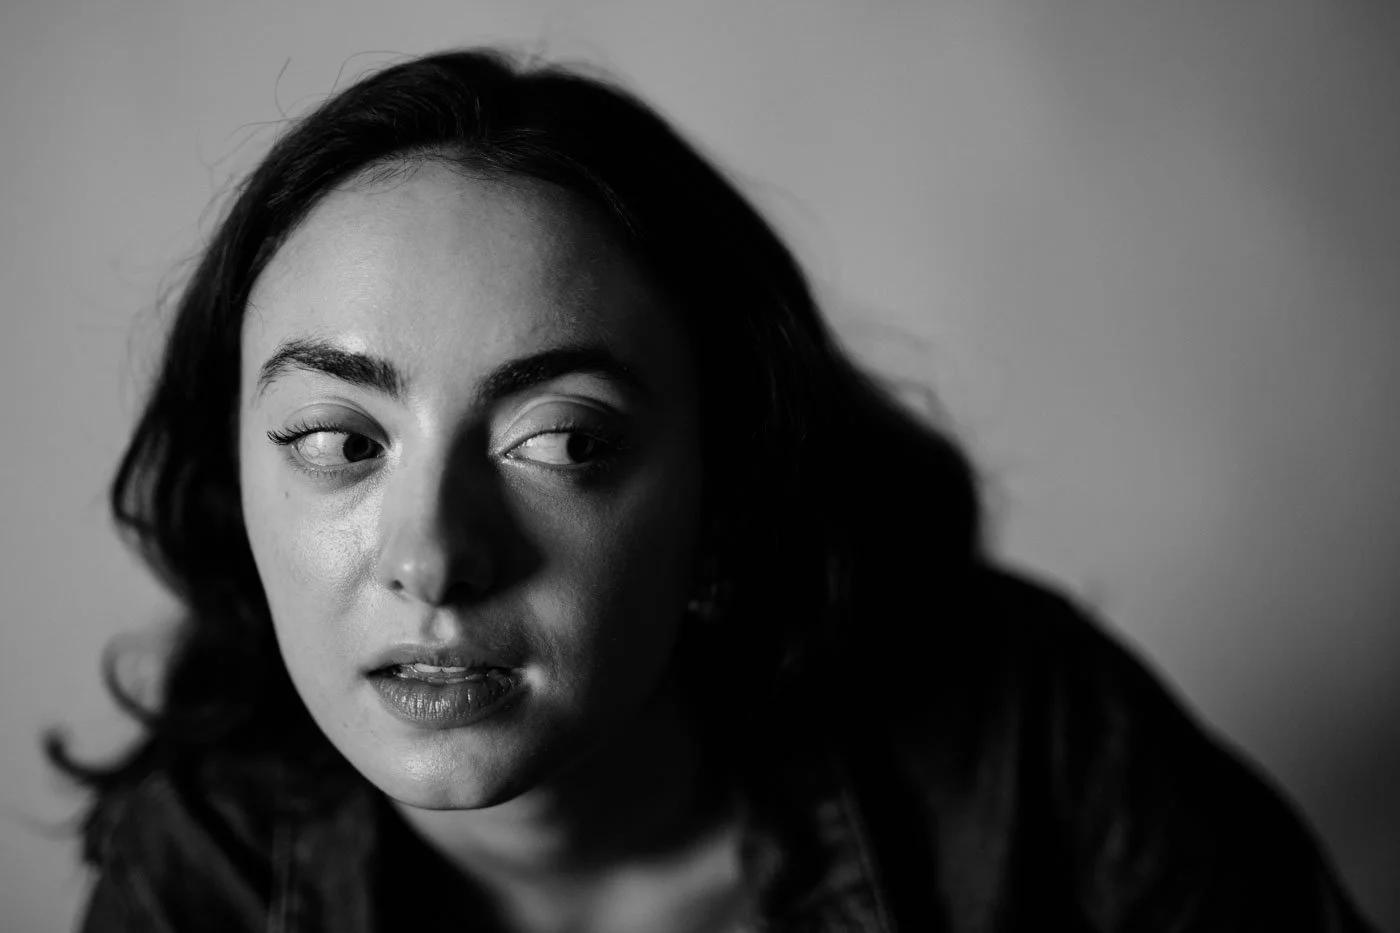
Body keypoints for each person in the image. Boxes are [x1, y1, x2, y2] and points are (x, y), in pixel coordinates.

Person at [48, 47, 1376, 932]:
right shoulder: (203, 870)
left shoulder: (1021, 751)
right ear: (233, 485)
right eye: (337, 441)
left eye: (565, 442)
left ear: (723, 496)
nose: (434, 559)